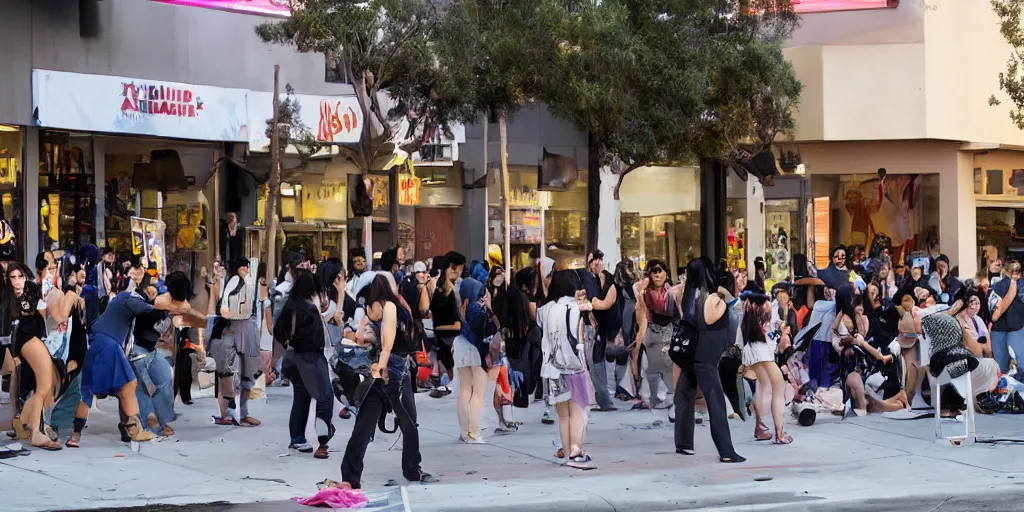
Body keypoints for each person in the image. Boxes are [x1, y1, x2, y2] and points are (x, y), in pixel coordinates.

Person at [72, 258, 197, 447]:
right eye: (150, 291)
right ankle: (135, 429)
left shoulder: (127, 300)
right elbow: (153, 309)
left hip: (101, 343)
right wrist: (177, 306)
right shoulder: (132, 299)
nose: (153, 293)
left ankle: (76, 435)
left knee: (93, 390)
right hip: (109, 344)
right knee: (129, 385)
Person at [341, 275, 435, 488]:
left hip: (386, 368)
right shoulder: (391, 306)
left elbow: (369, 338)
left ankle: (350, 476)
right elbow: (388, 343)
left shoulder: (373, 308)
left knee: (366, 425)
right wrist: (381, 367)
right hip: (392, 369)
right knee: (407, 422)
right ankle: (411, 469)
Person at [674, 257, 744, 463]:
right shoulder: (712, 298)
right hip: (706, 356)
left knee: (684, 396)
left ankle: (684, 443)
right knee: (715, 401)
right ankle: (726, 451)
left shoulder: (687, 296)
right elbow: (721, 314)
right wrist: (724, 294)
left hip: (690, 354)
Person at [271, 269, 336, 458]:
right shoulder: (309, 309)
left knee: (301, 397)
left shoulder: (289, 305)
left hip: (292, 357)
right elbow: (318, 340)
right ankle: (323, 442)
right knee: (325, 398)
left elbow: (277, 332)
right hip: (310, 358)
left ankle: (297, 438)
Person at [539, 270, 594, 467]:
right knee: (577, 410)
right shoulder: (576, 307)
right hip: (573, 366)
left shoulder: (545, 309)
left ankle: (567, 449)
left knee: (563, 415)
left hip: (552, 368)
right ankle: (576, 450)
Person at [212, 258, 262, 426]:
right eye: (242, 267)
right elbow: (225, 300)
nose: (245, 269)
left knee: (248, 371)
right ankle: (229, 413)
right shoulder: (233, 281)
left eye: (246, 267)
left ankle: (243, 412)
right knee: (229, 371)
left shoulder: (250, 281)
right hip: (233, 327)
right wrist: (225, 309)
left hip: (248, 325)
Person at [741, 287, 792, 443]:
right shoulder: (766, 307)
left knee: (763, 387)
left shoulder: (747, 309)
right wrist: (783, 316)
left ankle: (760, 429)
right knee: (778, 389)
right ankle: (780, 434)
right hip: (763, 351)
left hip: (752, 351)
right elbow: (772, 333)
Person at [632, 259, 682, 411]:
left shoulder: (672, 292)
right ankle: (654, 398)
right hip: (651, 332)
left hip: (668, 332)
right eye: (654, 271)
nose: (657, 274)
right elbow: (636, 289)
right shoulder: (644, 292)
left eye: (660, 271)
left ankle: (670, 397)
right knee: (650, 369)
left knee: (667, 367)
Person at [453, 278, 495, 443]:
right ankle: (473, 431)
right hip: (475, 349)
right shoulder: (477, 308)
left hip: (461, 345)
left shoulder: (461, 307)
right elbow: (486, 330)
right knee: (478, 392)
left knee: (464, 390)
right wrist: (490, 309)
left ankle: (464, 431)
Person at [584, 250, 618, 412]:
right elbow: (595, 303)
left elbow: (604, 303)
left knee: (599, 363)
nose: (596, 263)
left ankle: (605, 401)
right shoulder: (588, 279)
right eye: (593, 261)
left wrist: (596, 303)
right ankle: (603, 400)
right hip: (594, 328)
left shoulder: (609, 278)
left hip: (607, 328)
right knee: (596, 363)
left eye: (599, 260)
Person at [429, 252, 465, 397]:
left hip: (446, 334)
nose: (460, 273)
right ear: (453, 267)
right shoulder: (447, 289)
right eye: (460, 268)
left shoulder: (443, 286)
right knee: (452, 363)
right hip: (450, 335)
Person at [989, 258, 1024, 378]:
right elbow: (995, 315)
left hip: (1005, 330)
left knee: (1002, 371)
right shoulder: (1000, 285)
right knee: (1018, 369)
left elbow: (994, 316)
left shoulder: (997, 286)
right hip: (1013, 330)